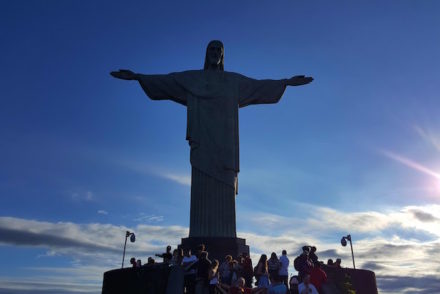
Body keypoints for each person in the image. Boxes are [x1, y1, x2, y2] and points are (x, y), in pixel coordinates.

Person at [111, 41, 313, 239]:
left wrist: (285, 82)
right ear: (206, 53)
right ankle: (200, 233)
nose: (215, 52)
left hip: (225, 144)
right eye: (212, 49)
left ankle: (225, 234)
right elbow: (168, 81)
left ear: (223, 55)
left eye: (219, 50)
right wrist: (138, 77)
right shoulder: (192, 79)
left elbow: (258, 86)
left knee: (224, 185)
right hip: (202, 142)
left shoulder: (233, 81)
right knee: (201, 184)